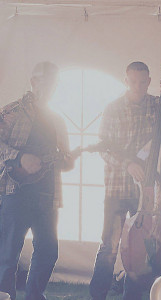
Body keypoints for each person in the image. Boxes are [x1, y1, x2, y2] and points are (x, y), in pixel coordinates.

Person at [89, 61, 161, 300]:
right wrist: (127, 164)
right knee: (109, 247)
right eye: (133, 81)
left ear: (149, 82)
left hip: (150, 194)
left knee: (140, 251)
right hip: (119, 187)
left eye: (142, 81)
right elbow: (103, 148)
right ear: (126, 81)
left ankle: (133, 296)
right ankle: (97, 296)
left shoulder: (159, 105)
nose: (138, 86)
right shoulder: (112, 108)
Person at [0, 61, 75, 300]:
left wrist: (68, 160)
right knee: (8, 256)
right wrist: (20, 157)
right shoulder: (12, 111)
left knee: (48, 252)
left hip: (47, 196)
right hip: (15, 193)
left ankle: (34, 296)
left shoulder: (58, 120)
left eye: (56, 82)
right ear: (34, 82)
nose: (53, 87)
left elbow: (65, 160)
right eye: (49, 81)